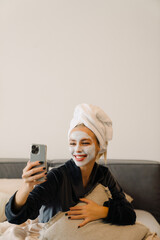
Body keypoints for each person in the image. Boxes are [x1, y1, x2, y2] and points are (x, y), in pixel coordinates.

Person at [5, 103, 136, 228]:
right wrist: (26, 186)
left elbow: (129, 214)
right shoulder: (57, 176)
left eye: (85, 143)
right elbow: (16, 217)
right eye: (73, 143)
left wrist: (102, 211)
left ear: (99, 147)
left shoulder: (103, 174)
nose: (77, 149)